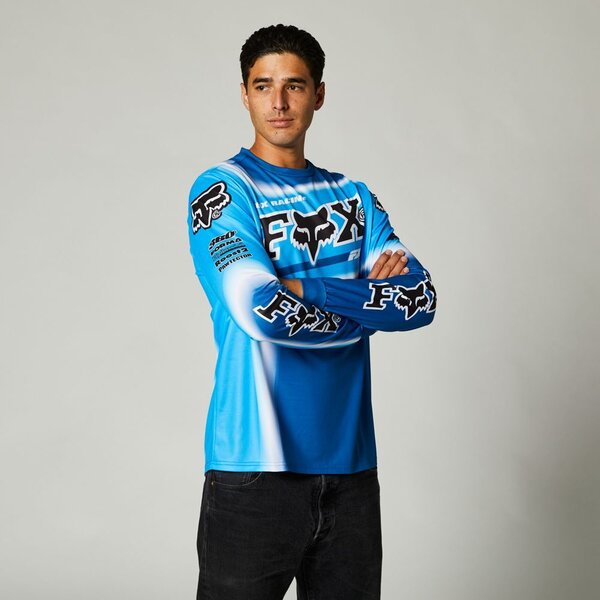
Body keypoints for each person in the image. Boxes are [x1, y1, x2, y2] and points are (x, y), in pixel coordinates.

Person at [187, 23, 436, 600]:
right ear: (244, 94)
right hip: (253, 473)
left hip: (351, 475)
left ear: (318, 94)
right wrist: (366, 308)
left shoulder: (355, 197)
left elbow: (419, 299)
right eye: (263, 86)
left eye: (294, 85)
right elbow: (258, 308)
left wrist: (309, 288)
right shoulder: (222, 190)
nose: (278, 102)